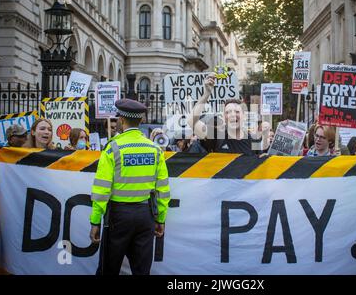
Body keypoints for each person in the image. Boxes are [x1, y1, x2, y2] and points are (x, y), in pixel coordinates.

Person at [89, 98, 170, 275]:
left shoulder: (112, 148)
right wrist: (160, 219)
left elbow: (101, 190)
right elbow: (163, 189)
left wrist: (95, 221)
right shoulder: (155, 149)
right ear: (141, 120)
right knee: (142, 271)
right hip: (146, 216)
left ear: (122, 120)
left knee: (108, 269)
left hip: (118, 217)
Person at [188, 73, 271, 155]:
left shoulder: (254, 141)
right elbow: (191, 121)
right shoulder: (217, 136)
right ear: (224, 117)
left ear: (244, 116)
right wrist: (206, 93)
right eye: (228, 112)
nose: (232, 114)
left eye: (237, 111)